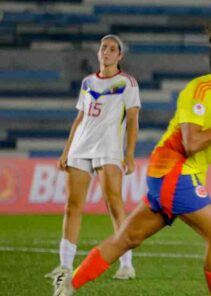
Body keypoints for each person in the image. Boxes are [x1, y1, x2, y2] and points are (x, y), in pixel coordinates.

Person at [48, 24, 211, 296]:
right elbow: (191, 144)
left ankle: (67, 285)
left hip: (175, 175)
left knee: (126, 238)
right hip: (172, 168)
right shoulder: (200, 91)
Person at [45, 34, 140, 281]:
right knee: (72, 205)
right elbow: (80, 118)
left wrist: (129, 154)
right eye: (103, 48)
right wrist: (66, 150)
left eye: (111, 49)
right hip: (80, 148)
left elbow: (132, 120)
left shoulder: (127, 83)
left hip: (108, 148)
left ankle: (126, 264)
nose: (106, 52)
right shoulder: (87, 82)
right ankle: (65, 265)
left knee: (114, 204)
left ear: (120, 56)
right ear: (98, 53)